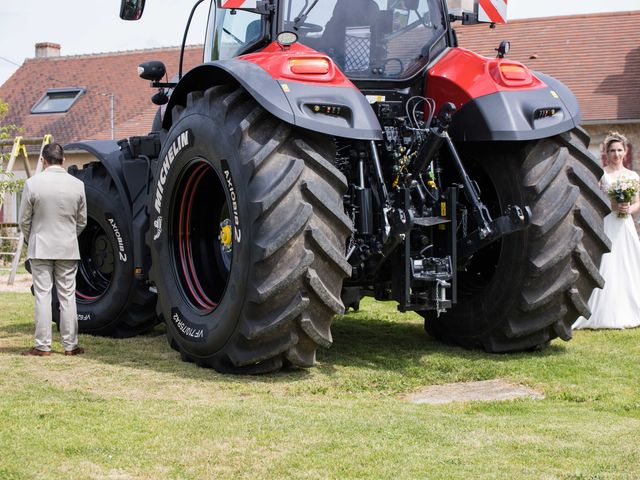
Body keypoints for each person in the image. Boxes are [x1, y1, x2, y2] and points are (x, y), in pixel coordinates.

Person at [19, 143, 87, 355]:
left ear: (42, 160)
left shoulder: (32, 184)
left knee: (43, 295)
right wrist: (68, 237)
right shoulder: (77, 185)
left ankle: (43, 345)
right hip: (67, 247)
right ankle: (70, 345)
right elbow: (82, 221)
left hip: (40, 247)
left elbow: (23, 221)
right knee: (68, 296)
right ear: (63, 160)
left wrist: (34, 239)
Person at [573, 132, 640, 329]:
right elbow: (595, 200)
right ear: (606, 153)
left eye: (619, 150)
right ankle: (605, 310)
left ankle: (631, 307)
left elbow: (637, 202)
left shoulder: (632, 176)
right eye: (612, 150)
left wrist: (629, 209)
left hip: (625, 225)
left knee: (629, 262)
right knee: (608, 263)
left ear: (625, 152)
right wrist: (612, 205)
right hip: (609, 223)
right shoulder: (602, 175)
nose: (616, 154)